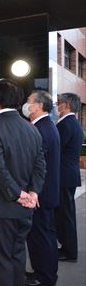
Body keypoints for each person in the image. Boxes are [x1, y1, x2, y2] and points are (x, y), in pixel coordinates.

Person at [0, 79, 46, 286]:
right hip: (23, 211)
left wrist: (18, 194)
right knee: (16, 260)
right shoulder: (31, 128)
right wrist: (33, 193)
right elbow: (40, 165)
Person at [21, 90, 60, 286]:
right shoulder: (46, 126)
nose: (26, 105)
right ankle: (45, 272)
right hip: (47, 192)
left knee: (40, 236)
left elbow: (37, 166)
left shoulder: (41, 129)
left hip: (41, 194)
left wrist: (31, 191)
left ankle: (44, 276)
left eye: (29, 101)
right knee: (45, 234)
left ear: (38, 106)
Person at [55, 92, 83, 262]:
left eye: (59, 102)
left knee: (65, 215)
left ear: (66, 105)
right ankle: (66, 248)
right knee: (65, 214)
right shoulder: (73, 123)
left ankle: (69, 251)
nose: (57, 105)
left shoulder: (66, 124)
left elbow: (56, 149)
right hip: (68, 175)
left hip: (64, 176)